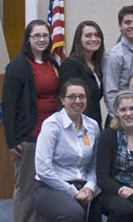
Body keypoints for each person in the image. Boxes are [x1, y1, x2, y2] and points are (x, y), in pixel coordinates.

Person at [3, 19, 60, 222]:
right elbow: (8, 106)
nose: (42, 39)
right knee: (27, 188)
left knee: (47, 188)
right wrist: (11, 141)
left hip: (52, 135)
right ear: (28, 39)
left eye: (45, 35)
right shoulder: (18, 66)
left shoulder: (51, 62)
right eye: (37, 35)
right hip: (29, 137)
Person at [32, 78, 101, 222]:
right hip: (50, 187)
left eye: (82, 96)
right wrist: (72, 192)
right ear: (63, 100)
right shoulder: (52, 125)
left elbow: (95, 165)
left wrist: (89, 187)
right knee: (73, 213)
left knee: (109, 205)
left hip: (83, 185)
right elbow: (43, 169)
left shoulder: (92, 126)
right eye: (72, 96)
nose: (77, 101)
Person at [96, 91, 133, 221]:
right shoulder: (108, 137)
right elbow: (102, 178)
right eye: (123, 110)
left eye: (132, 108)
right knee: (123, 209)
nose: (128, 113)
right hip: (113, 192)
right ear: (116, 112)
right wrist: (131, 198)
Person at [103, 6, 133, 129]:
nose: (132, 25)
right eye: (127, 22)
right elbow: (110, 93)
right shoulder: (115, 55)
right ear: (120, 26)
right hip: (119, 121)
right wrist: (119, 121)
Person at [60, 20, 105, 128]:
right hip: (76, 126)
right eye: (88, 36)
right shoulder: (71, 65)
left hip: (94, 124)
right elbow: (69, 100)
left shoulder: (98, 64)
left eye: (97, 35)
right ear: (79, 39)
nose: (93, 39)